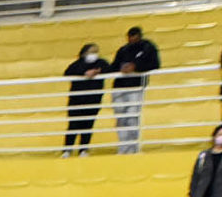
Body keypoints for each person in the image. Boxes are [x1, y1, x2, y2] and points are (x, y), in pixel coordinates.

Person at [109, 24, 160, 152]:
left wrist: (136, 67)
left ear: (139, 37)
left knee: (132, 117)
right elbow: (113, 66)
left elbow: (155, 64)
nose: (131, 40)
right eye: (130, 37)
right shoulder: (123, 50)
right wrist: (121, 68)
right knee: (121, 118)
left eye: (134, 37)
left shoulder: (148, 48)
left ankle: (134, 147)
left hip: (136, 87)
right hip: (119, 87)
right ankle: (123, 147)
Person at [62, 42, 108, 154]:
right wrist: (84, 73)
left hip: (93, 100)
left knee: (88, 125)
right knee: (73, 125)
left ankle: (83, 149)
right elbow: (67, 73)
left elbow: (110, 69)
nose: (94, 54)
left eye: (96, 52)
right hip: (76, 101)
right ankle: (67, 149)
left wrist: (98, 71)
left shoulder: (101, 63)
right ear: (84, 53)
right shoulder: (77, 64)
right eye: (91, 52)